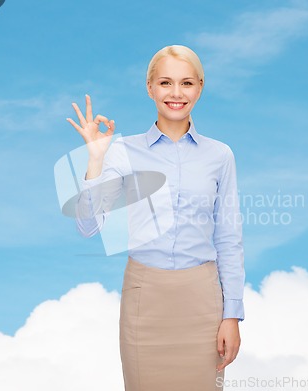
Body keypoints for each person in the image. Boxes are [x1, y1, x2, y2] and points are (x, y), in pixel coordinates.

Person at [66, 44, 245, 391]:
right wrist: (95, 160)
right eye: (165, 83)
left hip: (202, 300)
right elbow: (88, 226)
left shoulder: (220, 156)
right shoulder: (121, 151)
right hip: (144, 298)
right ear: (149, 88)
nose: (176, 93)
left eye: (187, 83)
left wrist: (232, 315)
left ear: (200, 87)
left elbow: (229, 237)